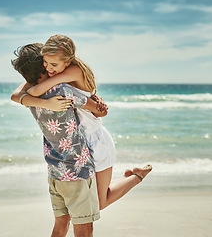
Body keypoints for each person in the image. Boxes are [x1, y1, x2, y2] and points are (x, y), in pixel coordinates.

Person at [23, 34, 153, 210]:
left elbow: (36, 90)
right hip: (81, 145)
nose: (48, 69)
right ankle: (131, 175)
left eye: (53, 65)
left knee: (99, 202)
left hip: (96, 141)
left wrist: (40, 98)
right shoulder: (60, 71)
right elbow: (17, 95)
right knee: (94, 197)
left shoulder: (72, 72)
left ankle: (137, 177)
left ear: (67, 62)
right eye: (45, 63)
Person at [11, 43, 102, 237]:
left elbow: (16, 95)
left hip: (54, 171)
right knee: (84, 228)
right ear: (44, 66)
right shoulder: (61, 90)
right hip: (77, 170)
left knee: (61, 225)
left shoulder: (29, 96)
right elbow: (99, 110)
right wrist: (96, 100)